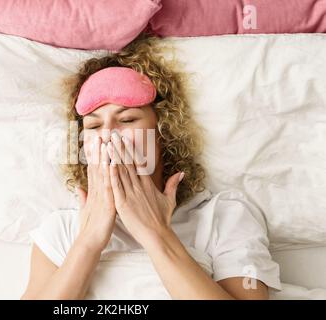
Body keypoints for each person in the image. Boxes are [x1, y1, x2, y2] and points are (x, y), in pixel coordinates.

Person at [22, 35, 281, 300]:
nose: (108, 134)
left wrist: (156, 233)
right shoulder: (61, 230)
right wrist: (88, 240)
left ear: (164, 134)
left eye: (127, 119)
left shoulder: (224, 217)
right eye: (94, 126)